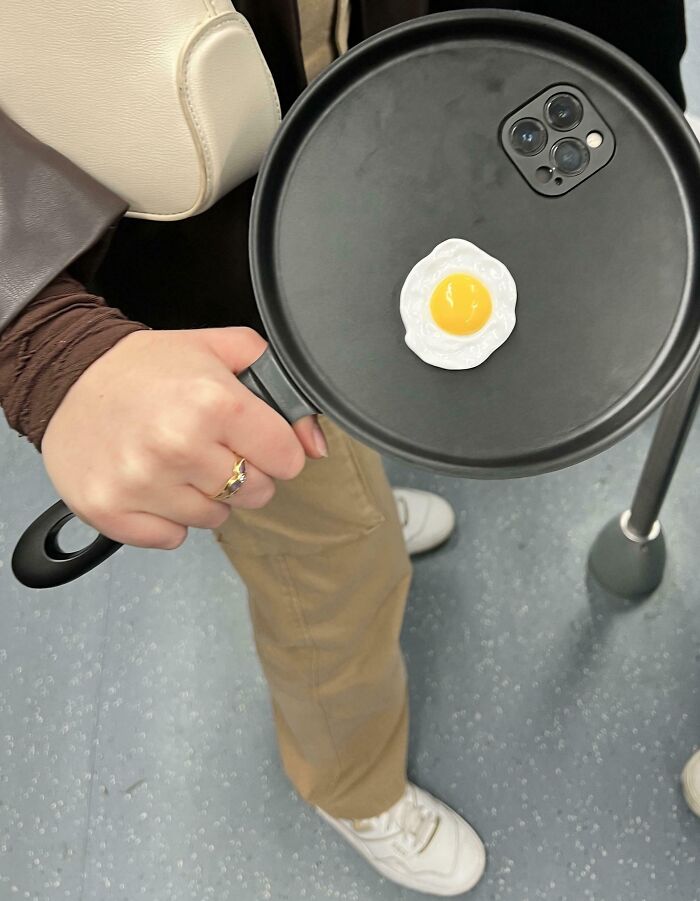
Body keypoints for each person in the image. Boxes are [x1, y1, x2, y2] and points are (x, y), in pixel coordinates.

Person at [0, 1, 695, 897]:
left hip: (374, 155)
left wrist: (642, 113)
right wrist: (35, 335)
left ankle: (365, 507)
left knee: (361, 438)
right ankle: (351, 785)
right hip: (183, 269)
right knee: (331, 575)